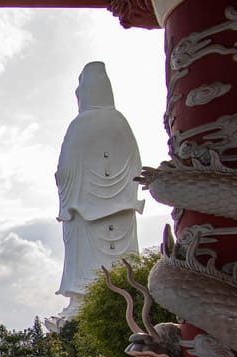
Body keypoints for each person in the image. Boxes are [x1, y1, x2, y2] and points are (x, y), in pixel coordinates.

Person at [55, 61, 143, 318]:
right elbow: (136, 166)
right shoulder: (120, 122)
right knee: (118, 268)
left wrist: (64, 182)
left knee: (94, 266)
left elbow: (65, 173)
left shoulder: (79, 126)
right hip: (118, 204)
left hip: (85, 207)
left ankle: (85, 302)